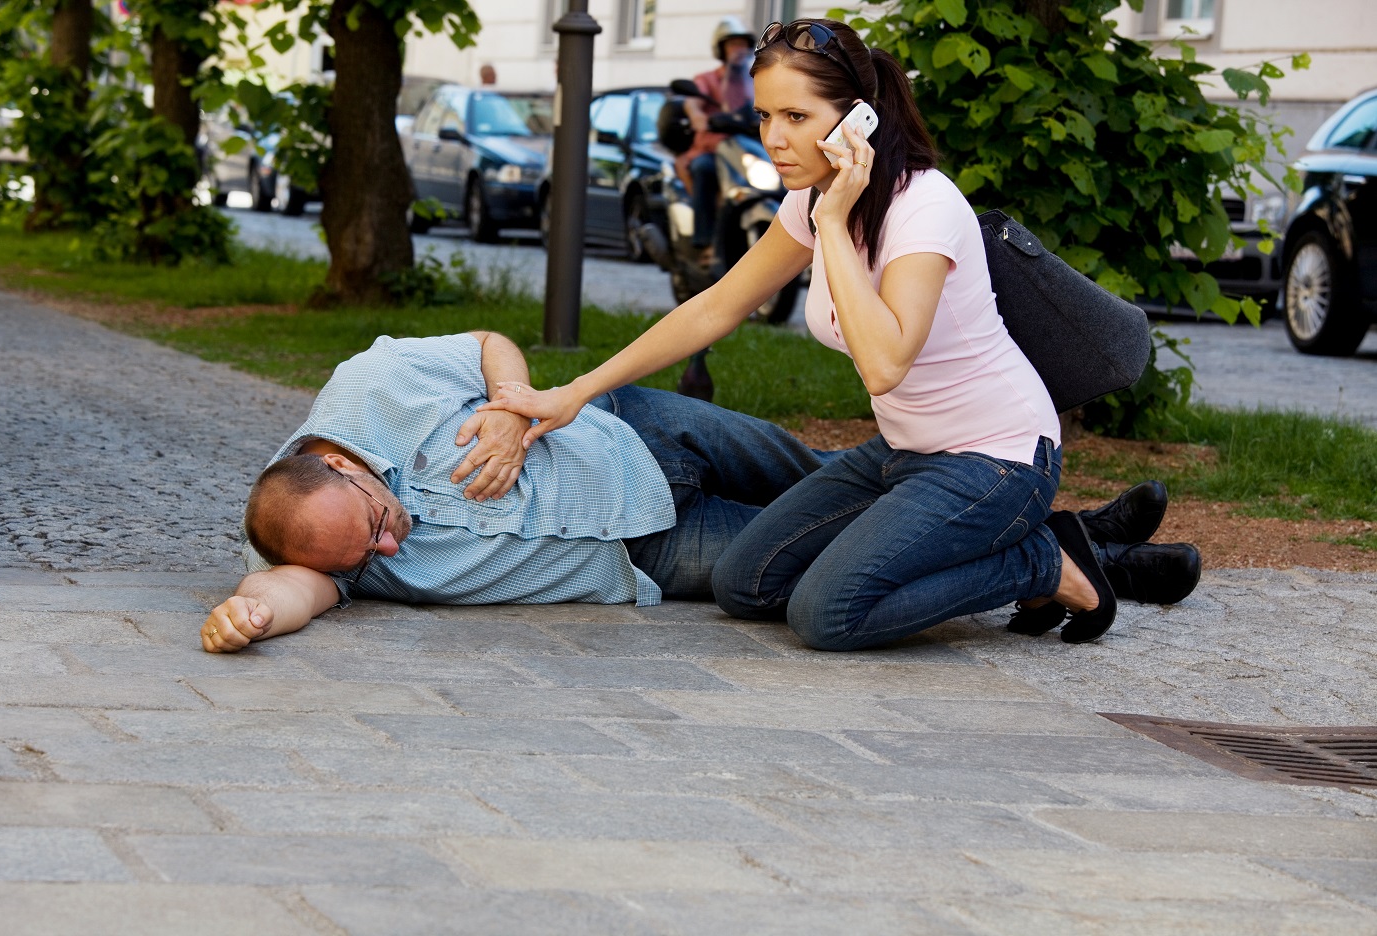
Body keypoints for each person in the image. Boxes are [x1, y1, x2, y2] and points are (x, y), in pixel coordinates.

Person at [480, 18, 1202, 650]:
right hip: (902, 453)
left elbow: (885, 362)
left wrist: (831, 222)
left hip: (996, 459)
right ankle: (1039, 550)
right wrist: (573, 392)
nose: (775, 139)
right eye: (765, 117)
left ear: (858, 118)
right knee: (745, 583)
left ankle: (1044, 564)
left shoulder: (923, 209)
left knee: (829, 614)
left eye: (796, 117)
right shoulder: (816, 195)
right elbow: (717, 307)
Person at [200, 330, 833, 653]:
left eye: (375, 523)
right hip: (644, 549)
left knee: (830, 475)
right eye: (365, 559)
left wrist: (507, 409)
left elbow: (488, 343)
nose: (388, 549)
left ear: (341, 463)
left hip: (634, 429)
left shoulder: (368, 385)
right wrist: (248, 617)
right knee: (830, 539)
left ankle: (934, 462)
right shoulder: (303, 549)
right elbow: (280, 590)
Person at [679, 16, 757, 266]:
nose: (739, 50)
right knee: (704, 168)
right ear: (721, 49)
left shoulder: (755, 79)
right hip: (713, 149)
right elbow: (692, 102)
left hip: (746, 149)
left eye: (743, 44)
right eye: (732, 44)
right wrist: (698, 116)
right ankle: (705, 240)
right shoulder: (707, 78)